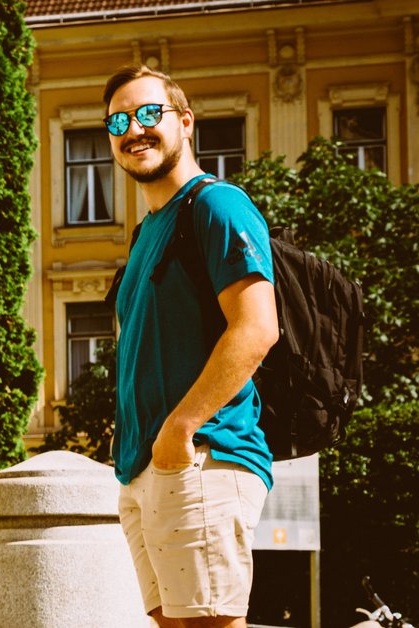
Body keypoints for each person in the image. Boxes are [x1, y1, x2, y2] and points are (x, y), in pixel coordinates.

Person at [103, 65, 278, 627]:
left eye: (150, 114)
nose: (135, 130)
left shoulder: (217, 205)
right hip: (145, 466)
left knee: (211, 625)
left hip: (203, 454)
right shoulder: (147, 231)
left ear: (185, 122)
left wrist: (179, 430)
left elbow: (256, 328)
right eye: (120, 120)